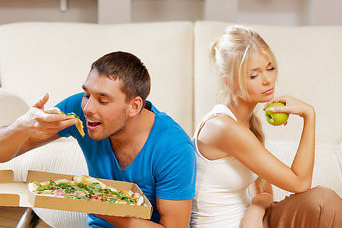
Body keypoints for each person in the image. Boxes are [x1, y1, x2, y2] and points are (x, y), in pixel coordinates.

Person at [0, 51, 196, 228]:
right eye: (87, 94)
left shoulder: (174, 148)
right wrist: (22, 125)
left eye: (103, 100)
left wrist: (94, 205)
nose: (88, 108)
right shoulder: (78, 110)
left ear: (134, 106)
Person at [190, 25, 342, 228]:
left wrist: (254, 211)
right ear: (229, 83)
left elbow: (265, 191)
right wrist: (309, 116)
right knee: (321, 202)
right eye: (254, 75)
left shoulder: (249, 124)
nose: (267, 80)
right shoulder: (224, 128)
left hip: (253, 222)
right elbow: (300, 182)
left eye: (270, 68)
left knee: (320, 201)